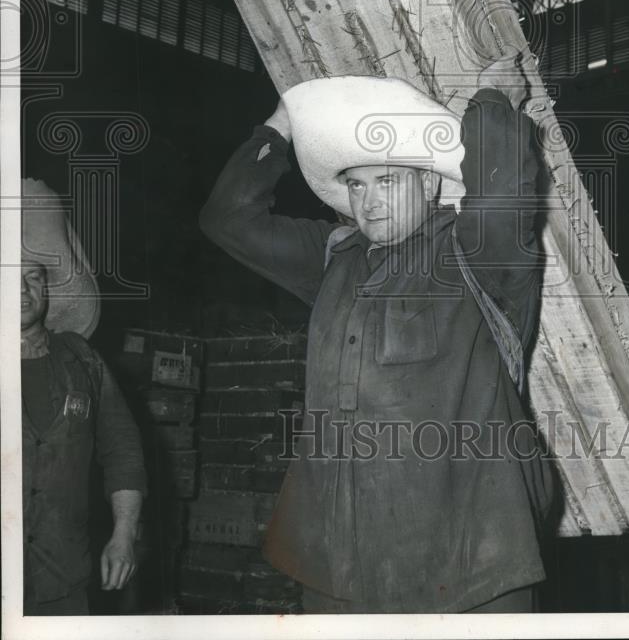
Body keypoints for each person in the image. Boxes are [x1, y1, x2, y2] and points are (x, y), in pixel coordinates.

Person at [200, 51, 554, 613]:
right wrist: (279, 128)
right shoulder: (334, 258)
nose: (368, 202)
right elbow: (228, 221)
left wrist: (494, 102)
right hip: (336, 559)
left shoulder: (478, 254)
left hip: (468, 565)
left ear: (432, 187)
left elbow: (502, 190)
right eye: (356, 186)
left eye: (386, 180)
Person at [21, 179, 147, 615]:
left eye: (33, 276)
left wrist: (124, 534)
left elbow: (123, 450)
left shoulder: (83, 361)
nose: (22, 289)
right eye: (8, 276)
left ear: (49, 286)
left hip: (63, 581)